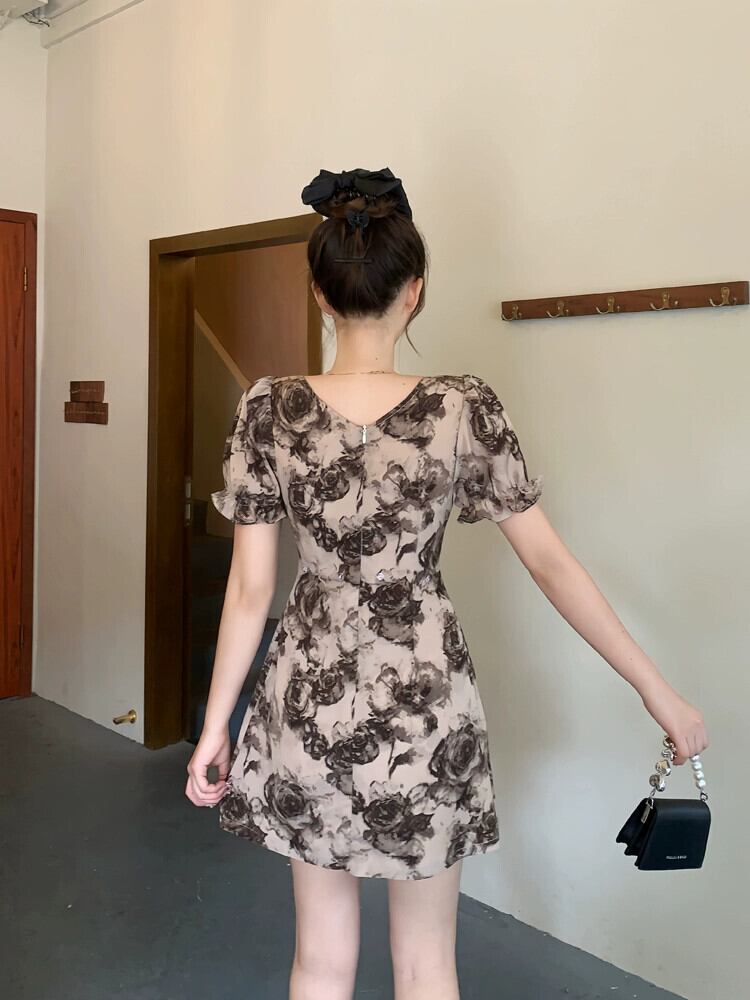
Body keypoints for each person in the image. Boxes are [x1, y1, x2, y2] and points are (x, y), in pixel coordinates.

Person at [185, 167, 709, 1000]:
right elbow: (550, 564)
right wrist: (657, 691)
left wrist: (217, 725)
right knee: (428, 964)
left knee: (319, 959)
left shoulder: (267, 409)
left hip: (306, 702)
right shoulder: (464, 409)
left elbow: (250, 593)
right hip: (426, 706)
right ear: (415, 291)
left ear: (320, 295)